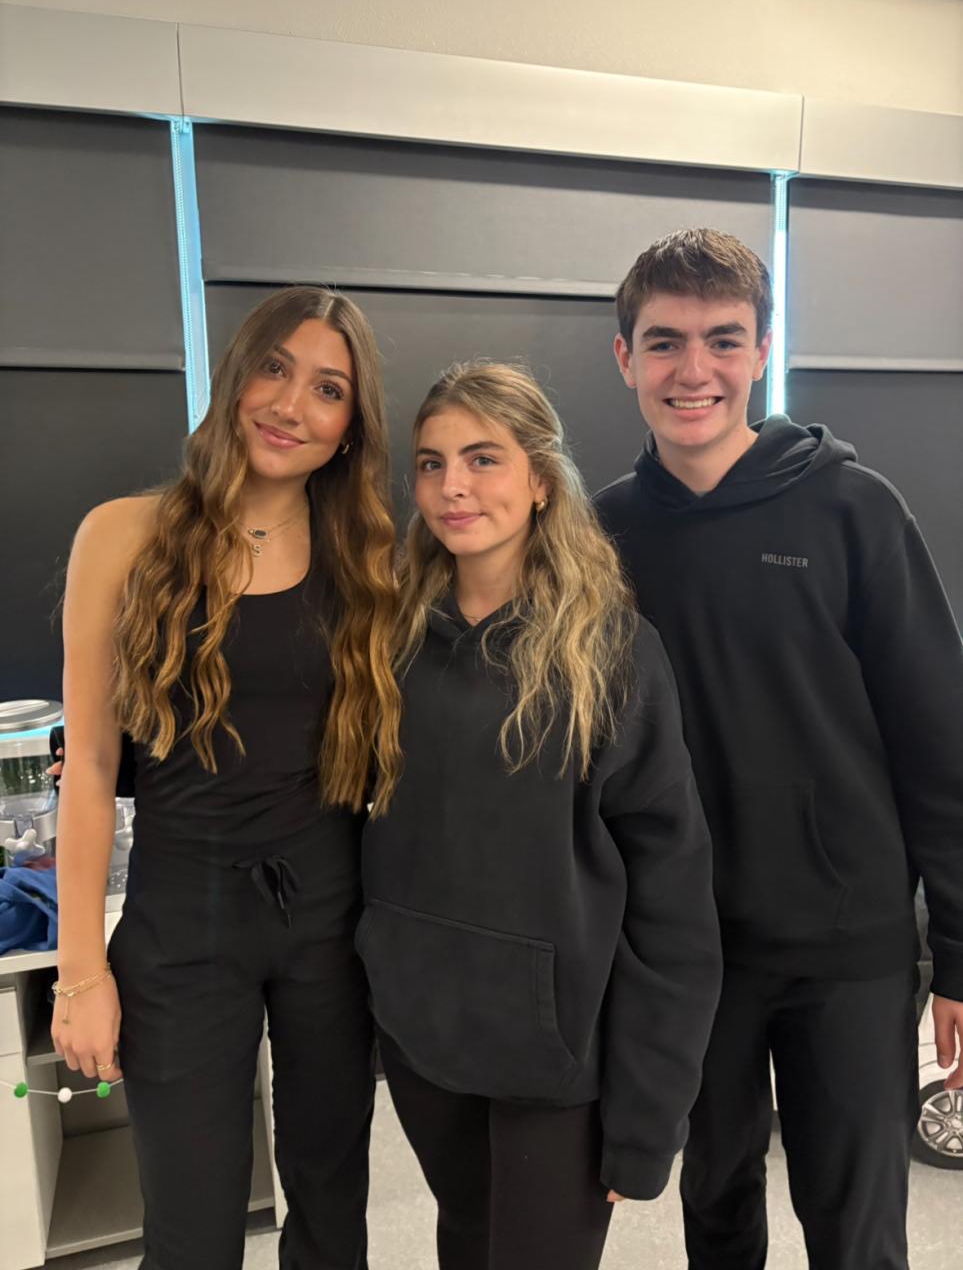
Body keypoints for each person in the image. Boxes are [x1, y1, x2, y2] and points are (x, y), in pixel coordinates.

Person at [595, 227, 963, 1270]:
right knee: (714, 1212)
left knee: (856, 1232)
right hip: (684, 952)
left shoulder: (855, 510)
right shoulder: (600, 537)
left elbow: (939, 742)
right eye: (664, 342)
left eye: (723, 339)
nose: (694, 369)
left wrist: (960, 952)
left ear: (761, 351)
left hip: (847, 948)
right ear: (624, 357)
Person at [52, 286, 401, 1270]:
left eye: (327, 389)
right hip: (182, 922)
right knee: (193, 1228)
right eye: (275, 368)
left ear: (350, 426)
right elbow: (89, 769)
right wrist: (81, 974)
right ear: (235, 374)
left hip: (329, 916)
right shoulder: (123, 535)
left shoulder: (365, 555)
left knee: (331, 1211)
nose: (291, 404)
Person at [357, 362, 723, 1270]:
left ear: (540, 482)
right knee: (463, 1244)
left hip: (559, 1061)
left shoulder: (612, 655)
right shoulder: (388, 639)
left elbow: (671, 901)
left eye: (483, 458)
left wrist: (648, 1117)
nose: (453, 486)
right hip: (426, 1039)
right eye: (432, 463)